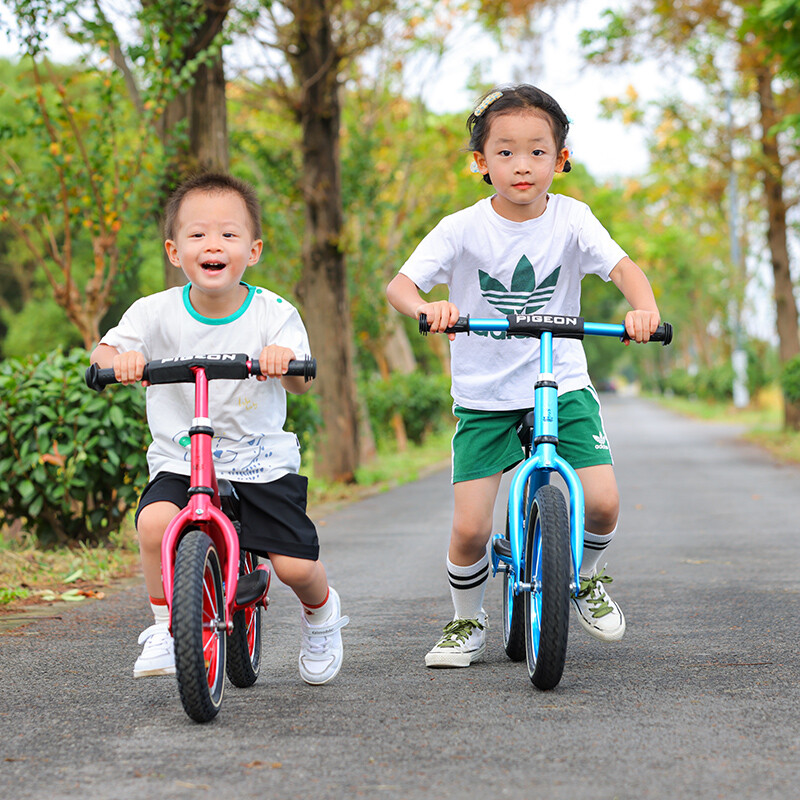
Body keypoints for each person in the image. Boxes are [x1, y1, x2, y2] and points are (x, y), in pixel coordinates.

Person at [386, 85, 660, 668]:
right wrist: (426, 310)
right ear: (480, 162)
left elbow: (623, 268)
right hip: (485, 395)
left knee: (604, 502)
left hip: (560, 379)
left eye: (538, 152)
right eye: (505, 152)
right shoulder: (460, 229)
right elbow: (401, 286)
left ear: (560, 160)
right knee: (469, 529)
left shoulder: (572, 218)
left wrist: (644, 309)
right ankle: (466, 618)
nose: (522, 166)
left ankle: (583, 580)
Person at [90, 172, 348, 685]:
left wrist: (284, 360)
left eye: (229, 235)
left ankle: (321, 614)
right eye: (198, 235)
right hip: (181, 459)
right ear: (173, 250)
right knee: (154, 522)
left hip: (259, 460)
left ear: (252, 250)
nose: (214, 245)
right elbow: (103, 351)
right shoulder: (153, 312)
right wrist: (120, 360)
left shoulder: (274, 313)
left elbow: (302, 380)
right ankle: (166, 626)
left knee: (294, 567)